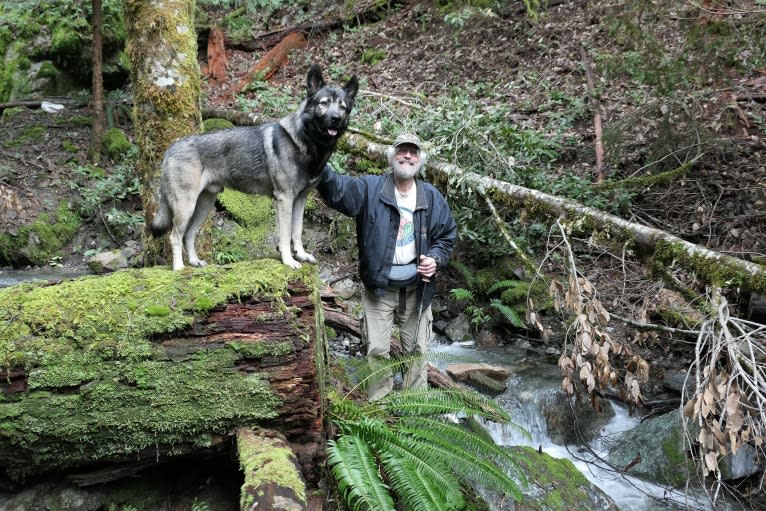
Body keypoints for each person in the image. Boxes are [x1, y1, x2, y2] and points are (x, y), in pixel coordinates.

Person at [317, 133, 457, 400]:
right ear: (392, 156)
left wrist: (436, 259)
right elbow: (337, 190)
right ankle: (379, 417)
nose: (407, 156)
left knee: (417, 354)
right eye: (402, 151)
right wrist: (318, 159)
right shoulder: (370, 189)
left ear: (420, 160)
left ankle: (416, 415)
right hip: (379, 289)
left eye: (413, 152)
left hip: (418, 291)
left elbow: (447, 236)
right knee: (377, 352)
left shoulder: (431, 197)